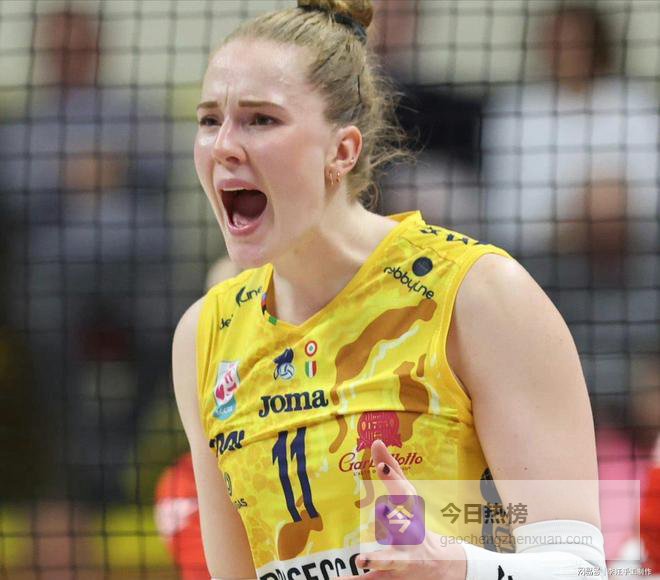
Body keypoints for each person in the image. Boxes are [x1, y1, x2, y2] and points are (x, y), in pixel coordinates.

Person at [173, 1, 605, 579]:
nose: (223, 146)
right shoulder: (205, 335)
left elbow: (583, 568)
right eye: (209, 120)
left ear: (342, 150)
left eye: (261, 120)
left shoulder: (478, 294)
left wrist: (454, 566)